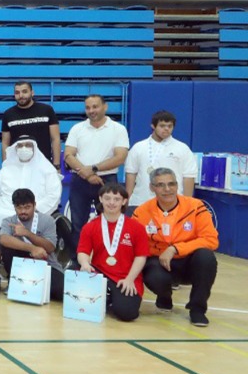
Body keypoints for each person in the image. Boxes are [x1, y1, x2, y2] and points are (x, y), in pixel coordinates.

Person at [133, 167, 219, 326]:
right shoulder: (141, 212)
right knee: (153, 274)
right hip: (159, 263)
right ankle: (164, 296)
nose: (167, 189)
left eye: (171, 184)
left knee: (206, 257)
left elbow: (211, 240)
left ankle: (197, 309)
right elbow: (136, 245)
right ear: (152, 188)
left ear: (177, 185)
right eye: (161, 185)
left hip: (189, 263)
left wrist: (175, 249)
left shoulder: (196, 207)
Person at [74, 183, 148, 322]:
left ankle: (110, 299)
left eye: (117, 199)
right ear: (100, 199)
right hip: (99, 274)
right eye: (107, 198)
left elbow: (141, 257)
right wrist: (85, 264)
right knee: (75, 274)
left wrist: (130, 279)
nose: (111, 203)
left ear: (124, 201)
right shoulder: (90, 226)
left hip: (125, 277)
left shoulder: (136, 227)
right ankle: (106, 297)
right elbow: (83, 251)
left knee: (127, 314)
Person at [64, 94, 130, 244]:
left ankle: (106, 256)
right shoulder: (77, 128)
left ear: (105, 107)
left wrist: (93, 169)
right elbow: (68, 155)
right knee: (77, 224)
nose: (91, 110)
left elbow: (120, 157)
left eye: (95, 106)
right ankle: (78, 256)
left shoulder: (118, 129)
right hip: (80, 180)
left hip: (107, 181)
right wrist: (87, 174)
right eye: (88, 107)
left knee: (109, 222)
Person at [0, 188, 64, 301]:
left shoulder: (47, 220)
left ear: (34, 205)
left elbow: (50, 248)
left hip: (46, 264)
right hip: (21, 266)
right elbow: (3, 239)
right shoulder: (9, 221)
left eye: (27, 207)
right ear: (14, 207)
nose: (23, 211)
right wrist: (32, 248)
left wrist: (27, 233)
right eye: (19, 207)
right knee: (7, 247)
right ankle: (16, 281)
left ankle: (30, 286)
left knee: (60, 291)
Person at [124, 110, 197, 209]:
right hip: (141, 201)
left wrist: (187, 203)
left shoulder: (182, 148)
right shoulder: (139, 147)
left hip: (172, 203)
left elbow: (189, 176)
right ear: (153, 126)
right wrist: (127, 198)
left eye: (170, 126)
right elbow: (131, 173)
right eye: (162, 126)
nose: (166, 129)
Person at [0, 136, 62, 223]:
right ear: (16, 149)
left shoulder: (47, 169)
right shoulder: (7, 168)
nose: (24, 148)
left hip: (34, 212)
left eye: (27, 145)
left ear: (34, 148)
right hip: (4, 209)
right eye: (20, 146)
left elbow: (53, 196)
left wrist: (32, 210)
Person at [1, 81, 60, 164]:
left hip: (43, 164)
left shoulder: (47, 110)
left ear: (32, 93)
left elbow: (55, 139)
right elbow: (5, 144)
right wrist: (6, 165)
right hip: (17, 165)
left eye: (24, 92)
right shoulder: (8, 114)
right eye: (17, 93)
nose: (21, 95)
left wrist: (57, 165)